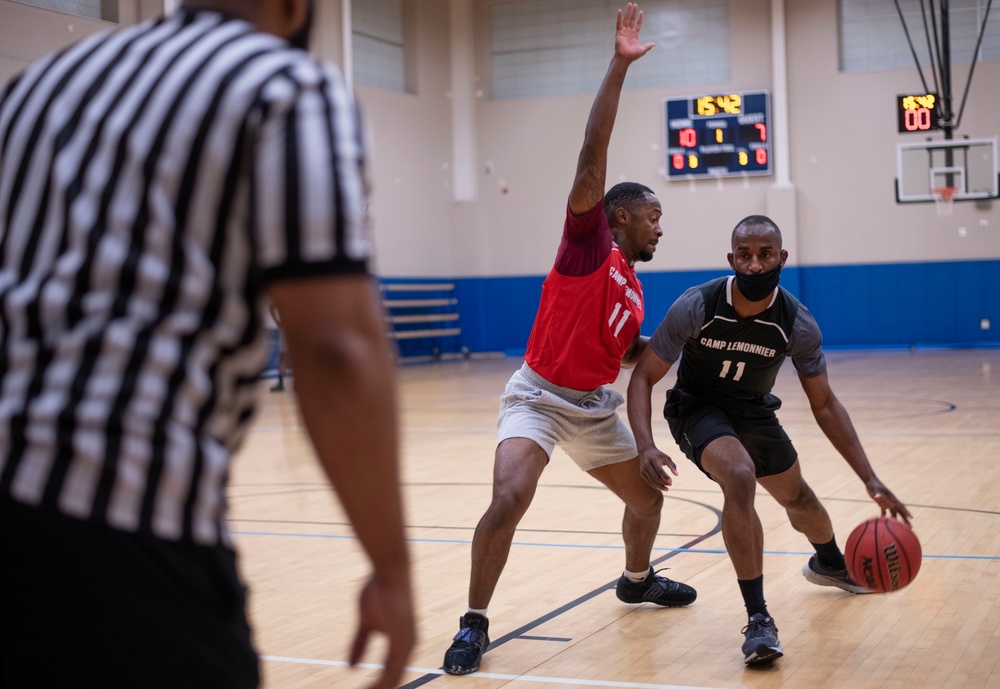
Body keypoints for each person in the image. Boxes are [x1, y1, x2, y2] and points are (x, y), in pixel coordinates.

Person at [0, 2, 414, 688]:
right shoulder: (282, 87)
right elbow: (337, 345)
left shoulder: (32, 90)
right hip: (123, 527)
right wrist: (391, 568)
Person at [441, 3, 696, 677]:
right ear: (618, 216)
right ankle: (475, 621)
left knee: (649, 498)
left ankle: (636, 579)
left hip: (591, 404)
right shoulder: (586, 244)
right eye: (652, 215)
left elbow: (627, 354)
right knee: (510, 496)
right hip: (537, 394)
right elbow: (593, 153)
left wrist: (679, 354)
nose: (659, 228)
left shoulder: (632, 288)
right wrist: (618, 65)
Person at [627, 214, 912, 666]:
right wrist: (645, 444)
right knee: (739, 475)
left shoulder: (797, 324)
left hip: (754, 411)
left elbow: (824, 405)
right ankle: (758, 618)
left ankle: (830, 562)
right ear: (731, 259)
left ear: (782, 258)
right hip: (697, 408)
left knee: (799, 500)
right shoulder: (697, 305)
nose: (755, 265)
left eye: (765, 255)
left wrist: (870, 478)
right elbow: (643, 377)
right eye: (745, 255)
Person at [268, 301, 290, 392]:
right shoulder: (285, 295)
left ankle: (296, 383)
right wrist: (277, 321)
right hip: (286, 329)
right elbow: (271, 307)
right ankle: (281, 383)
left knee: (298, 358)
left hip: (295, 329)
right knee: (283, 357)